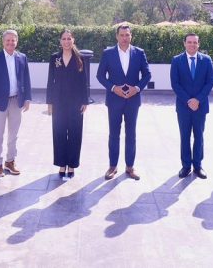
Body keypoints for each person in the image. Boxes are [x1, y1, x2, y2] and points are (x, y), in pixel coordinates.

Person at [95, 23, 151, 181]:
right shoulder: (108, 53)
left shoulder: (139, 53)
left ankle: (130, 167)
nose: (125, 38)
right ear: (117, 36)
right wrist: (113, 88)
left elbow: (147, 75)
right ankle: (112, 166)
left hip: (133, 101)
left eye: (127, 35)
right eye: (122, 35)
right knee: (114, 134)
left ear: (131, 36)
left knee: (131, 134)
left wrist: (137, 88)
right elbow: (100, 76)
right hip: (114, 100)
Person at [0, 29, 32, 178]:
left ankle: (10, 161)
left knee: (14, 135)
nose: (10, 43)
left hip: (16, 101)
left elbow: (26, 78)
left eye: (13, 40)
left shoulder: (22, 58)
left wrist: (27, 98)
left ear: (16, 42)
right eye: (8, 40)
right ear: (3, 42)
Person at [169, 33, 213, 179]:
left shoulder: (206, 60)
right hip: (184, 106)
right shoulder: (176, 60)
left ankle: (198, 166)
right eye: (189, 42)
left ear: (198, 44)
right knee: (185, 136)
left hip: (201, 106)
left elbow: (210, 81)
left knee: (199, 136)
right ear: (184, 43)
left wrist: (198, 100)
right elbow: (175, 83)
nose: (192, 45)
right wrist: (189, 101)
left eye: (195, 42)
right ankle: (186, 166)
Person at [46, 29, 90, 180]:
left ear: (73, 40)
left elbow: (84, 81)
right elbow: (50, 80)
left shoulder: (80, 58)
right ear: (60, 41)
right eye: (64, 39)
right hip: (58, 102)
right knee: (59, 133)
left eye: (69, 38)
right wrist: (49, 102)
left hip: (76, 102)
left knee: (74, 133)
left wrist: (85, 100)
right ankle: (61, 164)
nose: (66, 41)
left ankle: (71, 164)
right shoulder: (55, 58)